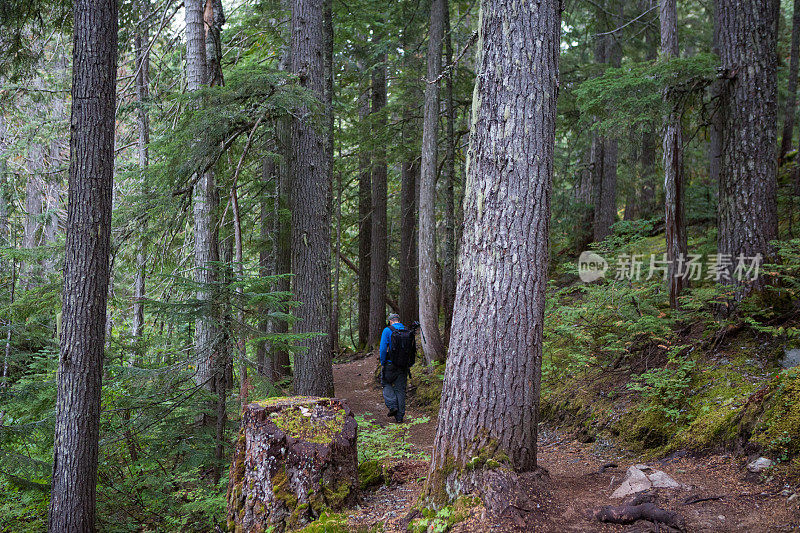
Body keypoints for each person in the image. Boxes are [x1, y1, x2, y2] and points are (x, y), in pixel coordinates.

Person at [379, 313, 415, 423]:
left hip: (390, 364)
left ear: (390, 321)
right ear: (398, 320)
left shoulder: (387, 330)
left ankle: (392, 406)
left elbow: (383, 348)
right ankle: (400, 417)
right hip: (403, 365)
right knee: (400, 390)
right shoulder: (407, 330)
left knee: (386, 383)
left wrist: (383, 362)